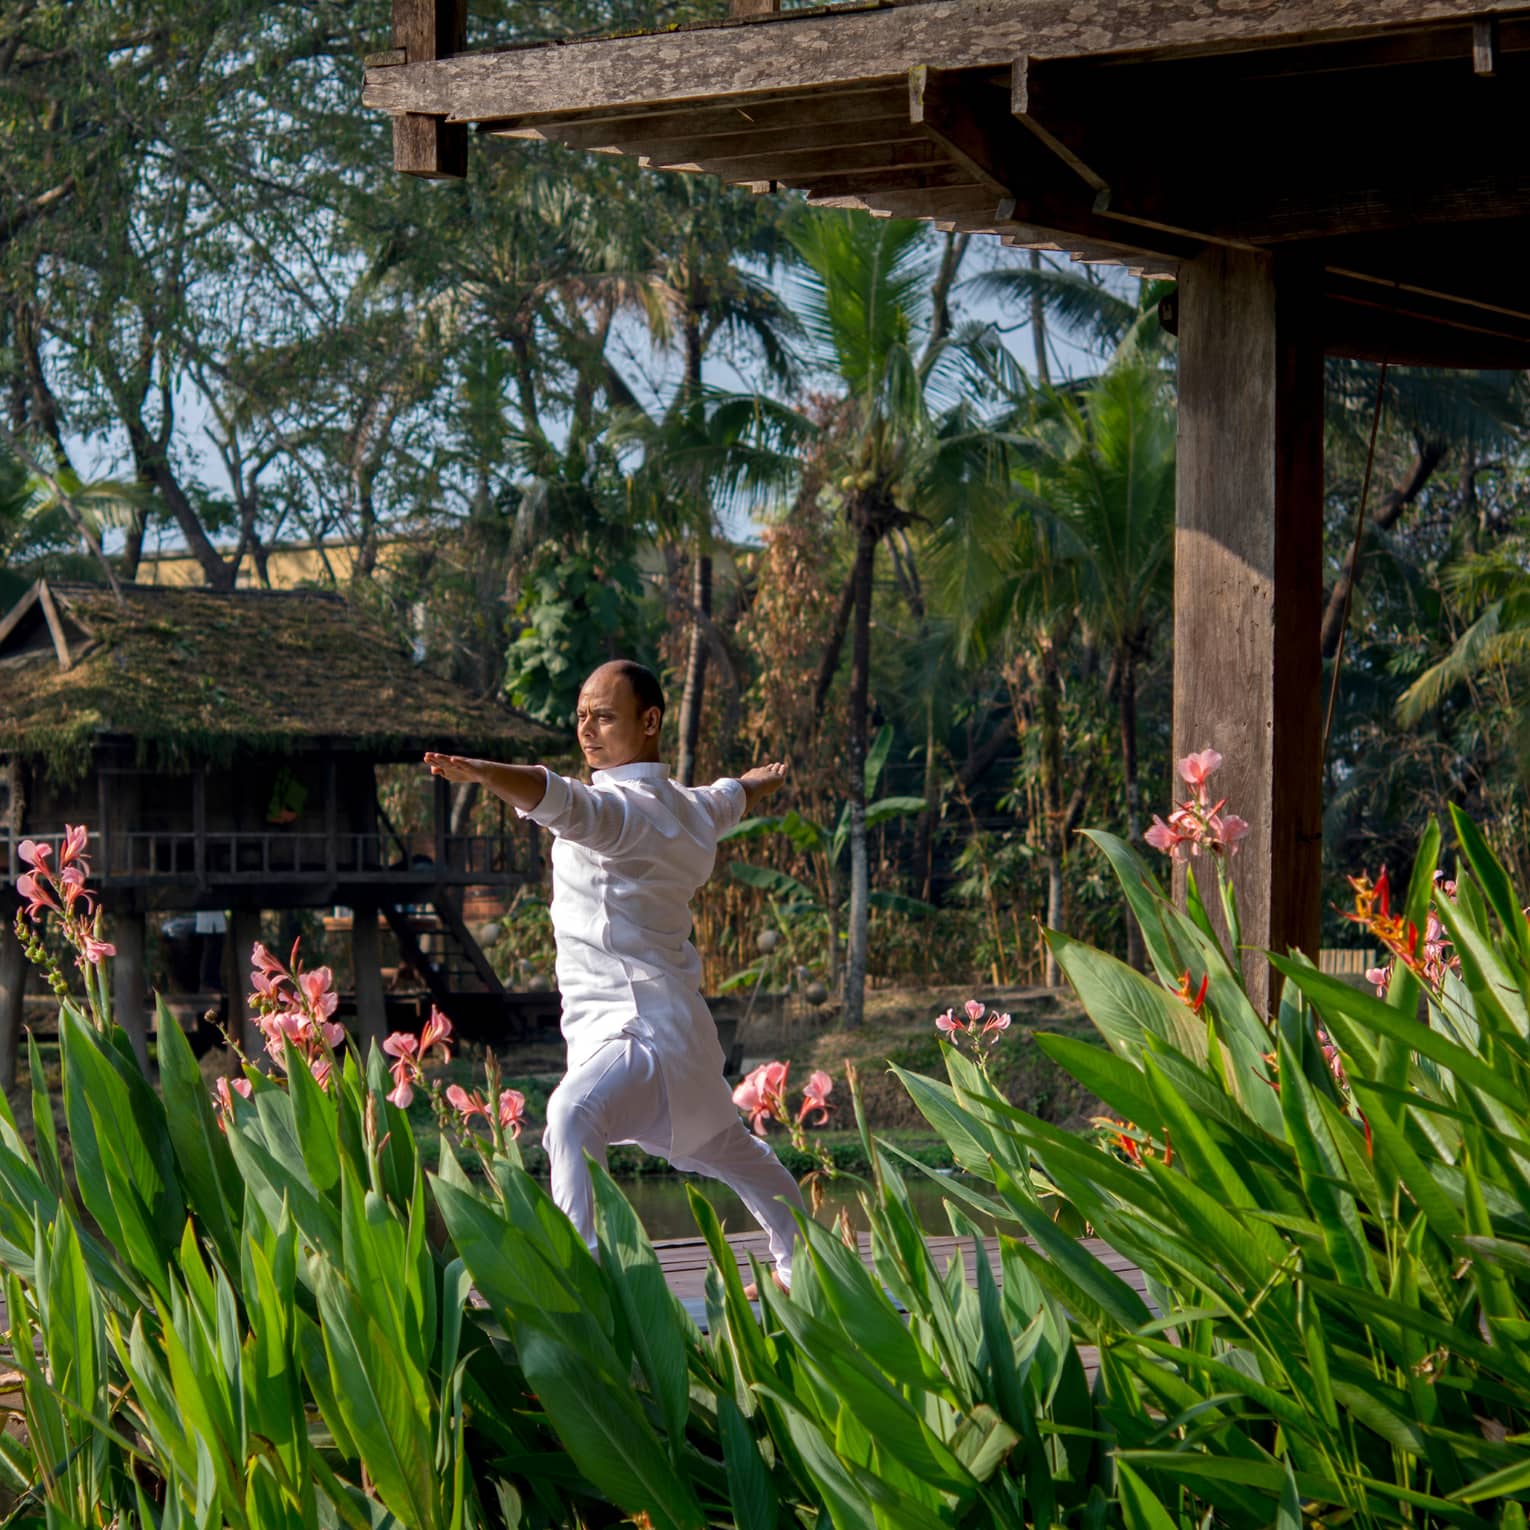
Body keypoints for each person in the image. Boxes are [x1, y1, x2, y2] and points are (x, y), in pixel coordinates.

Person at [425, 659, 803, 1291]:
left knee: (571, 1116)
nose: (587, 730)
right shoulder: (686, 808)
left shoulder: (618, 814)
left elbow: (558, 796)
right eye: (581, 716)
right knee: (735, 1152)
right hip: (677, 1035)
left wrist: (484, 772)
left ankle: (588, 1277)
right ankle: (802, 1260)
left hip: (632, 1030)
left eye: (603, 715)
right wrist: (760, 781)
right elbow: (729, 798)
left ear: (649, 721)